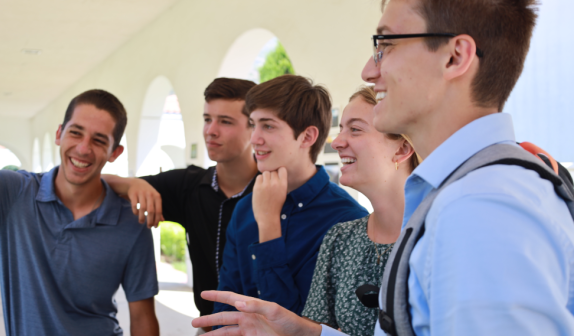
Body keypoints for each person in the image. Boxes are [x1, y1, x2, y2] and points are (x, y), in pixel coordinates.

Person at [192, 0, 574, 335]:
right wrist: (308, 334)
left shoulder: (481, 208)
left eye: (386, 45)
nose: (368, 71)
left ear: (455, 56)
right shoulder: (463, 197)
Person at [0, 89, 159, 336]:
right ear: (59, 134)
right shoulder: (10, 194)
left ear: (114, 153)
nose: (83, 148)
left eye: (99, 140)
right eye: (75, 133)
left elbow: (142, 318)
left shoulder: (132, 223)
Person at [103, 78, 258, 333]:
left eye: (225, 121)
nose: (211, 130)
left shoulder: (274, 190)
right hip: (209, 328)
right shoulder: (189, 186)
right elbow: (97, 183)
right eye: (208, 119)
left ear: (255, 128)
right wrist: (131, 184)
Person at [213, 75, 368, 322]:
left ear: (307, 137)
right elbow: (224, 307)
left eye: (268, 126)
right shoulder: (244, 208)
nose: (254, 139)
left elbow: (298, 325)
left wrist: (268, 227)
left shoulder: (348, 222)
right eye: (253, 124)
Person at [302, 86, 419, 336]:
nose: (337, 142)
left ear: (402, 149)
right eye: (341, 128)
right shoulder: (339, 239)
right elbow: (318, 328)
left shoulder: (435, 236)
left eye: (355, 129)